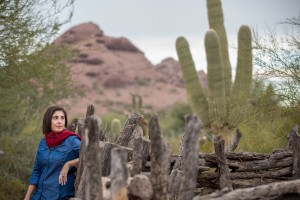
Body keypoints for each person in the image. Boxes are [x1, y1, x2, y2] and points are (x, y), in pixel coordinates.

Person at [24, 106, 81, 200]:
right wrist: (27, 196)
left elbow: (91, 156)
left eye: (62, 118)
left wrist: (68, 164)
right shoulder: (43, 142)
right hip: (39, 196)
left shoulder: (72, 140)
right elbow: (37, 171)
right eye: (55, 118)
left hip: (58, 196)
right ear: (48, 121)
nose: (59, 121)